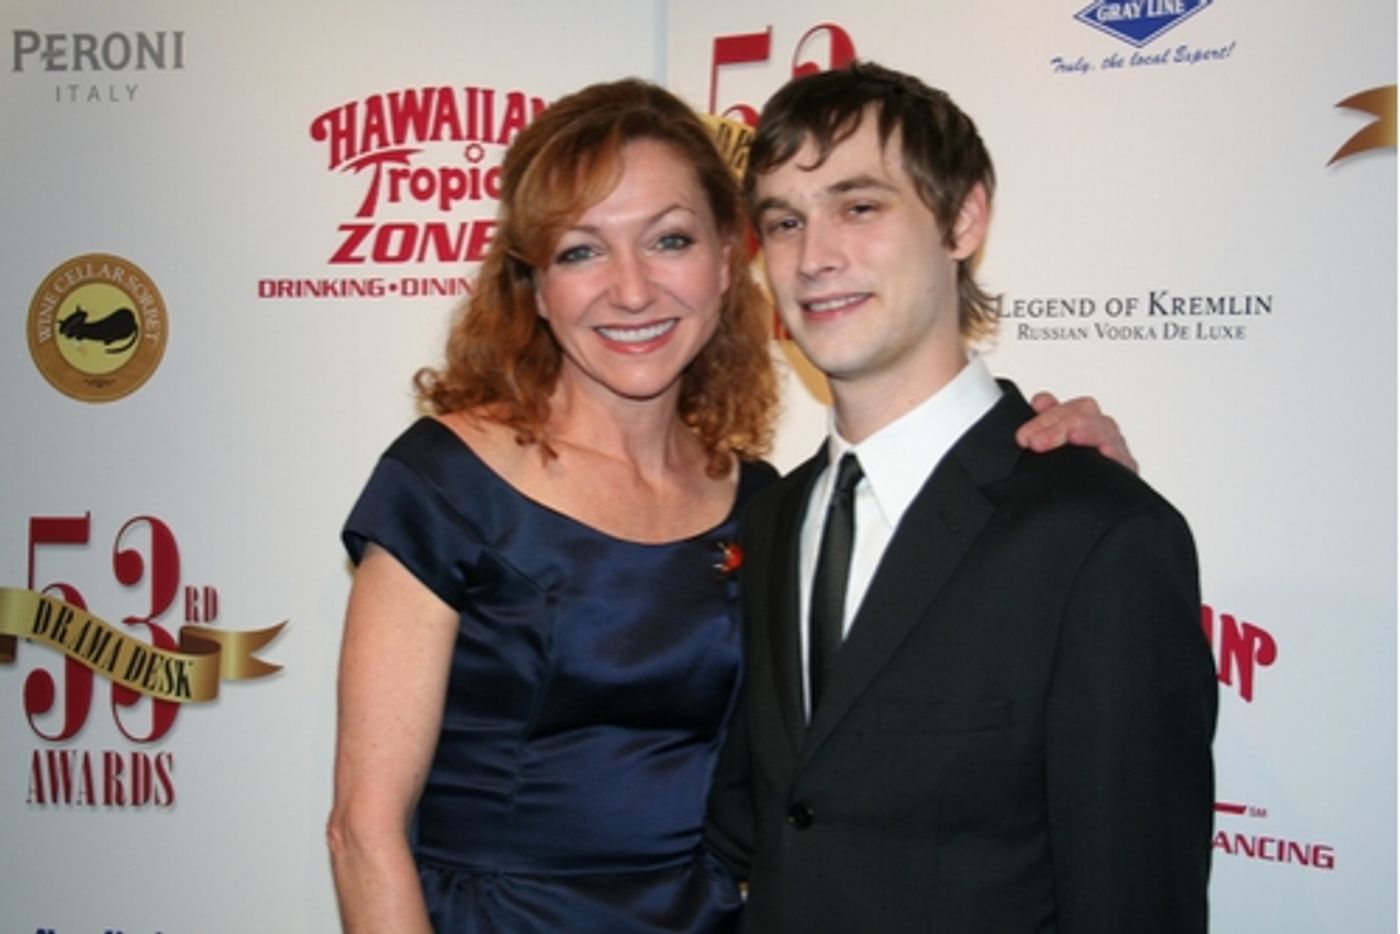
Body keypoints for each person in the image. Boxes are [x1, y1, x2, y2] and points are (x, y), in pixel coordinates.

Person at [327, 77, 1138, 933]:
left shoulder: (769, 505)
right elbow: (363, 833)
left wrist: (1058, 479)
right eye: (580, 251)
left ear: (726, 261)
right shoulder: (447, 485)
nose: (630, 290)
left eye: (668, 240)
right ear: (532, 284)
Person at [704, 62, 1217, 932]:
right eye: (785, 221)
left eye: (859, 207)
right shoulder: (774, 518)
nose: (814, 257)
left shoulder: (1099, 536)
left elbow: (1134, 900)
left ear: (963, 219)